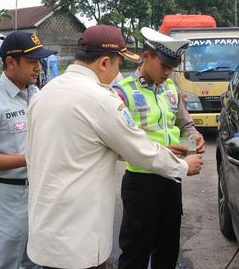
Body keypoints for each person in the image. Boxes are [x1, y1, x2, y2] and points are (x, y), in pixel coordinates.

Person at [25, 25, 203, 269]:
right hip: (79, 236)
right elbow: (139, 150)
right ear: (104, 63)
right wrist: (183, 166)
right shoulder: (102, 99)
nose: (119, 73)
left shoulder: (43, 94)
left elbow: (31, 157)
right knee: (135, 251)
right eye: (119, 65)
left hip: (46, 229)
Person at [114, 27, 205, 269]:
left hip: (172, 178)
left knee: (168, 248)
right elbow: (119, 148)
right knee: (135, 252)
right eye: (164, 65)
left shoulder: (171, 89)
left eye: (172, 67)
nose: (168, 72)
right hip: (141, 183)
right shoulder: (123, 92)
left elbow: (185, 125)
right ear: (146, 56)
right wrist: (168, 150)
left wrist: (194, 139)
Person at [0, 31, 56, 269]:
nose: (38, 68)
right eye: (32, 62)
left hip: (37, 193)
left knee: (34, 261)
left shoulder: (35, 94)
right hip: (7, 198)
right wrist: (27, 160)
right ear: (10, 62)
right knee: (6, 263)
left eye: (39, 61)